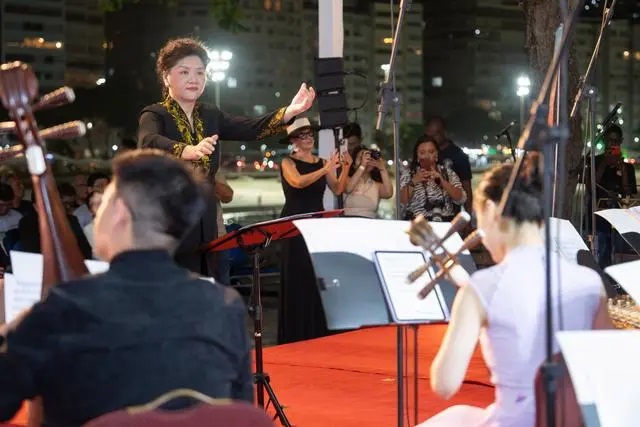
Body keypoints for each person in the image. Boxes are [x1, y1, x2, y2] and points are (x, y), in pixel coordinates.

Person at [0, 150, 253, 426]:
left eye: (103, 200)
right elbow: (237, 410)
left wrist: (13, 335)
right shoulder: (224, 305)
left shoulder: (67, 306)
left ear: (120, 212)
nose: (96, 209)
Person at [416, 155, 612, 427]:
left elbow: (445, 384)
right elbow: (608, 367)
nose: (481, 234)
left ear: (493, 211)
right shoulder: (590, 281)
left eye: (480, 220)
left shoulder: (482, 288)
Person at [137, 37, 315, 277]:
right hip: (171, 216)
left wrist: (289, 112)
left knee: (209, 285)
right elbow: (148, 141)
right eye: (185, 72)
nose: (194, 79)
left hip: (207, 216)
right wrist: (185, 150)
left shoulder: (210, 114)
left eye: (200, 72)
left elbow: (251, 127)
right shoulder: (154, 114)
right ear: (166, 76)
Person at [278, 117, 351, 344]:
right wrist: (326, 169)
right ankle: (296, 333)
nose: (308, 138)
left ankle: (316, 330)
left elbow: (338, 187)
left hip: (317, 224)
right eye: (303, 135)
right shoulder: (287, 162)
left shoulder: (322, 162)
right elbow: (298, 182)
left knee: (315, 277)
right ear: (293, 140)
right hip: (293, 225)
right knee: (297, 276)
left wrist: (345, 167)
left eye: (310, 134)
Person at [400, 136, 466, 221]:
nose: (427, 156)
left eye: (431, 152)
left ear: (436, 154)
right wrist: (414, 181)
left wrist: (442, 181)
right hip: (418, 225)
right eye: (422, 153)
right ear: (417, 157)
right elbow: (401, 201)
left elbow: (461, 198)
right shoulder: (409, 174)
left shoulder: (448, 173)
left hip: (445, 224)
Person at [425, 117, 473, 216]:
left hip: (451, 214)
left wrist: (468, 215)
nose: (432, 138)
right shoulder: (424, 154)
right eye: (429, 134)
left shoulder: (458, 155)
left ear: (444, 132)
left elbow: (466, 186)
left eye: (436, 133)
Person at [344, 146, 393, 218]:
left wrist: (382, 168)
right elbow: (348, 189)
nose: (365, 161)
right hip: (349, 222)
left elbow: (388, 194)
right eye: (360, 158)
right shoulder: (348, 179)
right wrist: (362, 165)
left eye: (368, 158)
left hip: (370, 224)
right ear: (353, 165)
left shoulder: (377, 185)